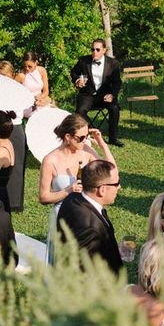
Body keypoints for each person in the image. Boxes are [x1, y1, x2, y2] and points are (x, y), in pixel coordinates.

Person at [39, 112, 116, 264]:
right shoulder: (50, 160)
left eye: (86, 136)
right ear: (68, 137)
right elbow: (43, 197)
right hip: (62, 217)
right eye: (81, 137)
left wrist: (102, 144)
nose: (85, 140)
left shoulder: (86, 152)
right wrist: (68, 190)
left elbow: (112, 172)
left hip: (87, 215)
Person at [55, 158, 123, 271]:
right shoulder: (90, 228)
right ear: (102, 190)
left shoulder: (72, 199)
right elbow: (85, 272)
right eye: (116, 184)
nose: (119, 188)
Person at [71, 39, 123, 147]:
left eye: (98, 49)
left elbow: (117, 82)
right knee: (80, 111)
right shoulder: (83, 61)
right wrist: (77, 80)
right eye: (92, 49)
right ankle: (92, 131)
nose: (94, 52)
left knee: (115, 108)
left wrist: (112, 95)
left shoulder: (113, 63)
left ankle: (113, 138)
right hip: (87, 94)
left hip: (104, 96)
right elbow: (74, 72)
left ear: (104, 50)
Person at [0, 60, 28, 213]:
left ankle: (15, 202)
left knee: (17, 166)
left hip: (14, 129)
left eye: (2, 77)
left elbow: (18, 113)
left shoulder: (18, 90)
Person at [15, 51, 50, 117]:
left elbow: (46, 91)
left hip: (40, 100)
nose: (27, 69)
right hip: (27, 105)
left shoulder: (42, 71)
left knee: (53, 111)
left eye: (30, 66)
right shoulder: (21, 76)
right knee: (43, 114)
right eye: (25, 66)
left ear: (35, 62)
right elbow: (14, 93)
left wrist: (41, 97)